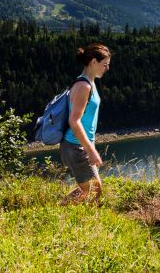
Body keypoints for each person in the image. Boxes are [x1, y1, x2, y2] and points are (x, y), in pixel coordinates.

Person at [60, 43, 112, 204]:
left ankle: (68, 211)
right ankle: (59, 210)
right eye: (105, 64)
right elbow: (74, 121)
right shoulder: (83, 86)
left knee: (94, 189)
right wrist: (91, 150)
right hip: (75, 146)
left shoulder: (89, 82)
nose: (107, 68)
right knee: (90, 190)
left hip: (79, 145)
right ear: (93, 62)